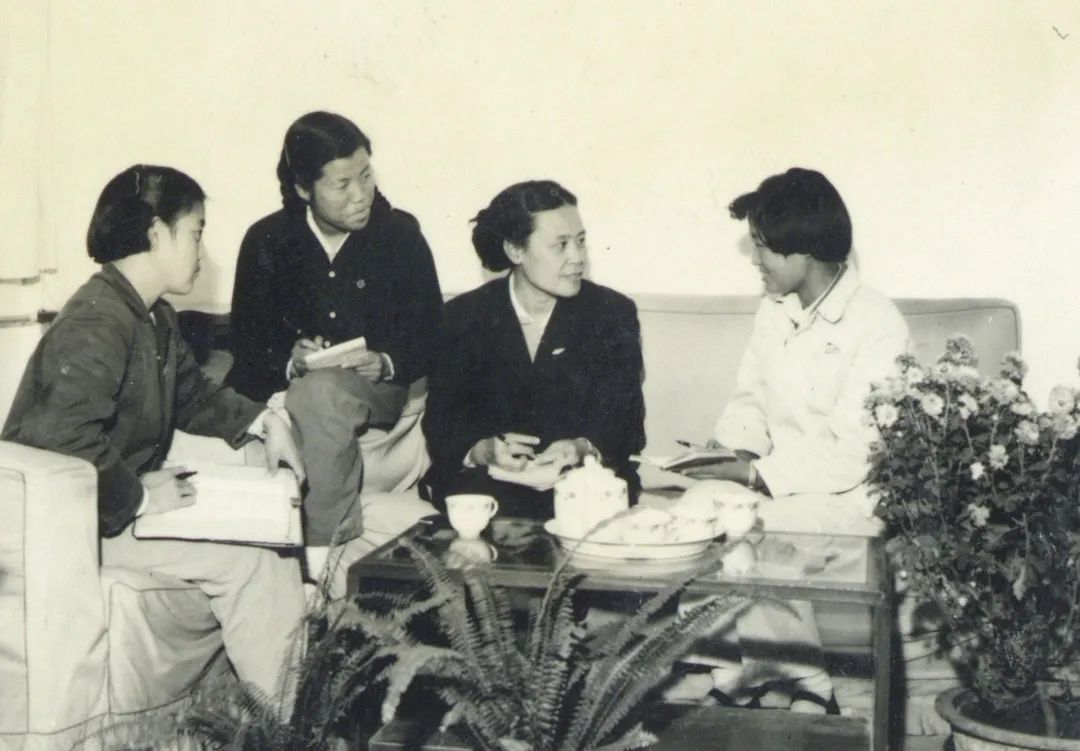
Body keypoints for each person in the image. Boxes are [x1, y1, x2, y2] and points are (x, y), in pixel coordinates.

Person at [2, 164, 307, 701]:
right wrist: (141, 496)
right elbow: (59, 440)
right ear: (156, 232)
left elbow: (194, 395)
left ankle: (276, 720)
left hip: (107, 513)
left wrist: (267, 420)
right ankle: (287, 728)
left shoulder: (152, 316)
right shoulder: (96, 321)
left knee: (266, 547)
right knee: (255, 563)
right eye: (196, 232)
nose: (201, 251)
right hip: (73, 530)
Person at [672, 168, 910, 713]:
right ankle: (737, 672)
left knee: (757, 529)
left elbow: (855, 452)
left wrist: (755, 475)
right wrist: (729, 451)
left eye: (762, 247)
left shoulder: (877, 322)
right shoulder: (774, 308)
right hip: (780, 484)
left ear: (803, 247)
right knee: (693, 513)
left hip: (848, 499)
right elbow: (751, 398)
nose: (755, 260)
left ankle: (811, 686)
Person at [225, 112, 443, 577]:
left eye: (365, 175)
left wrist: (386, 361)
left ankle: (319, 565)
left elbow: (431, 333)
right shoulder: (267, 240)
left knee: (321, 392)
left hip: (377, 390)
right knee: (309, 389)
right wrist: (289, 359)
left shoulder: (400, 235)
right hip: (291, 389)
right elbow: (247, 339)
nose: (361, 194)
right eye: (342, 184)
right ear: (303, 189)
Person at [421, 180, 646, 519]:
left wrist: (582, 448)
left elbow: (627, 424)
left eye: (580, 241)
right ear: (515, 251)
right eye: (561, 245)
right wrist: (482, 450)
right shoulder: (463, 317)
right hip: (488, 490)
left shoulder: (611, 314)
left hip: (581, 490)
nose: (578, 258)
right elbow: (441, 423)